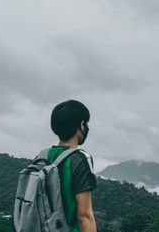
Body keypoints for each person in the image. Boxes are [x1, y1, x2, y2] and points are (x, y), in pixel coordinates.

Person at [49, 99, 97, 232]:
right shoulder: (79, 159)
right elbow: (84, 215)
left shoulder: (43, 157)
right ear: (81, 125)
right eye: (85, 123)